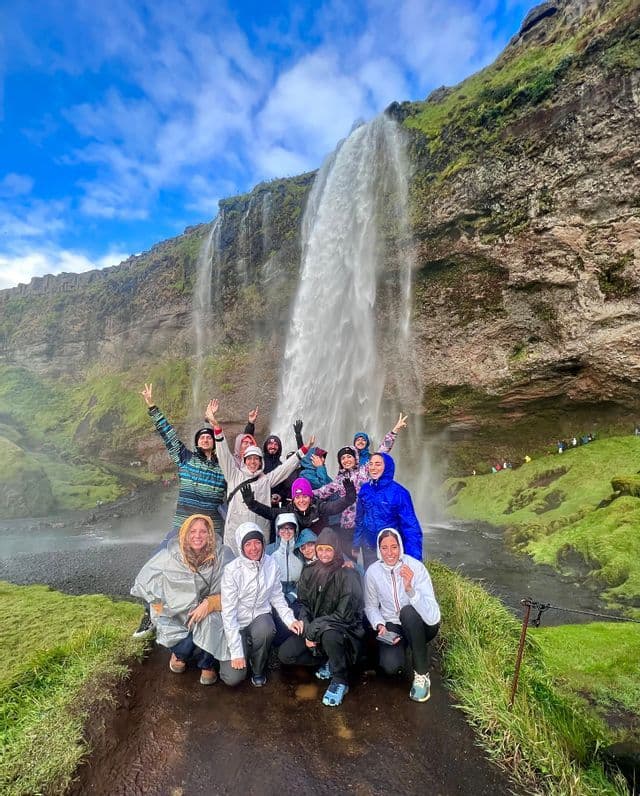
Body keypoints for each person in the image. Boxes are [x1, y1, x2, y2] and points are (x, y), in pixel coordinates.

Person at [130, 514, 239, 686]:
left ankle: (207, 663)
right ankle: (180, 654)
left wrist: (211, 603)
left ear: (210, 534)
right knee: (175, 632)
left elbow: (236, 589)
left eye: (203, 531)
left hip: (207, 611)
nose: (197, 536)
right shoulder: (170, 555)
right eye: (192, 531)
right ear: (185, 534)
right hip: (177, 612)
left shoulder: (222, 555)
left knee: (213, 622)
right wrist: (159, 609)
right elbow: (145, 583)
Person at [206, 399, 313, 555]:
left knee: (260, 560)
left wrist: (303, 450)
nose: (252, 462)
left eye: (256, 459)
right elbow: (224, 455)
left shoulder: (266, 480)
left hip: (260, 531)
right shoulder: (234, 475)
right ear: (244, 460)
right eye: (249, 459)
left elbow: (285, 469)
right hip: (236, 531)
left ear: (261, 461)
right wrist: (216, 427)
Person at [278, 528, 364, 707]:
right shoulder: (310, 571)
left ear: (336, 550)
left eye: (328, 550)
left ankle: (340, 679)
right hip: (316, 630)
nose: (324, 554)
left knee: (330, 634)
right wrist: (307, 627)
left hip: (342, 632)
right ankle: (329, 661)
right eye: (321, 549)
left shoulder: (346, 573)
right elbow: (304, 604)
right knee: (285, 655)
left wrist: (313, 631)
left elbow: (343, 616)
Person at [221, 522, 304, 686]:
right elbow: (228, 613)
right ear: (241, 547)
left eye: (257, 542)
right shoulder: (232, 570)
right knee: (233, 678)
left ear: (263, 543)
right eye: (248, 544)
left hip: (259, 615)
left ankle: (258, 667)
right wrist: (237, 653)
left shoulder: (271, 564)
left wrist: (290, 620)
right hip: (237, 621)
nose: (254, 548)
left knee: (266, 629)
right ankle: (241, 649)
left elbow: (277, 597)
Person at [140, 383, 226, 537]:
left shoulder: (223, 466)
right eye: (202, 438)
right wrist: (152, 406)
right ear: (197, 442)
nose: (205, 439)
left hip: (212, 530)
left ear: (214, 442)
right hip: (184, 527)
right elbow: (169, 435)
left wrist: (211, 420)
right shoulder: (186, 458)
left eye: (209, 437)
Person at [364, 528, 440, 702]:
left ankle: (422, 674)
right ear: (379, 549)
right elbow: (371, 606)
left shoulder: (415, 567)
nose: (390, 553)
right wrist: (379, 624)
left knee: (407, 612)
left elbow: (432, 615)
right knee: (390, 667)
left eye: (394, 547)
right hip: (393, 624)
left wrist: (410, 590)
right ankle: (408, 645)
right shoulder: (373, 572)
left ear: (400, 547)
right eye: (384, 548)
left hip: (422, 624)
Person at [354, 452, 423, 567]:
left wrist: (414, 561)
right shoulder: (365, 489)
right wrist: (356, 543)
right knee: (371, 575)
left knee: (390, 576)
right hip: (369, 546)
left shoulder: (399, 493)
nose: (373, 468)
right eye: (371, 464)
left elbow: (410, 527)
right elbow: (359, 519)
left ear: (387, 467)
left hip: (390, 548)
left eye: (378, 464)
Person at [241, 476, 356, 535]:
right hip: (300, 548)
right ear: (293, 500)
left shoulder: (318, 507)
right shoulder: (288, 511)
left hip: (319, 547)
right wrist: (252, 504)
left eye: (305, 496)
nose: (301, 500)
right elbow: (270, 513)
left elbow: (333, 507)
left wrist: (348, 499)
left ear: (310, 498)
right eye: (297, 497)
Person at [266, 513, 303, 604]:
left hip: (296, 598)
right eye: (282, 528)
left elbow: (304, 579)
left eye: (290, 528)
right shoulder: (268, 551)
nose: (286, 531)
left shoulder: (300, 551)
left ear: (295, 530)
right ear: (277, 531)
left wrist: (291, 596)